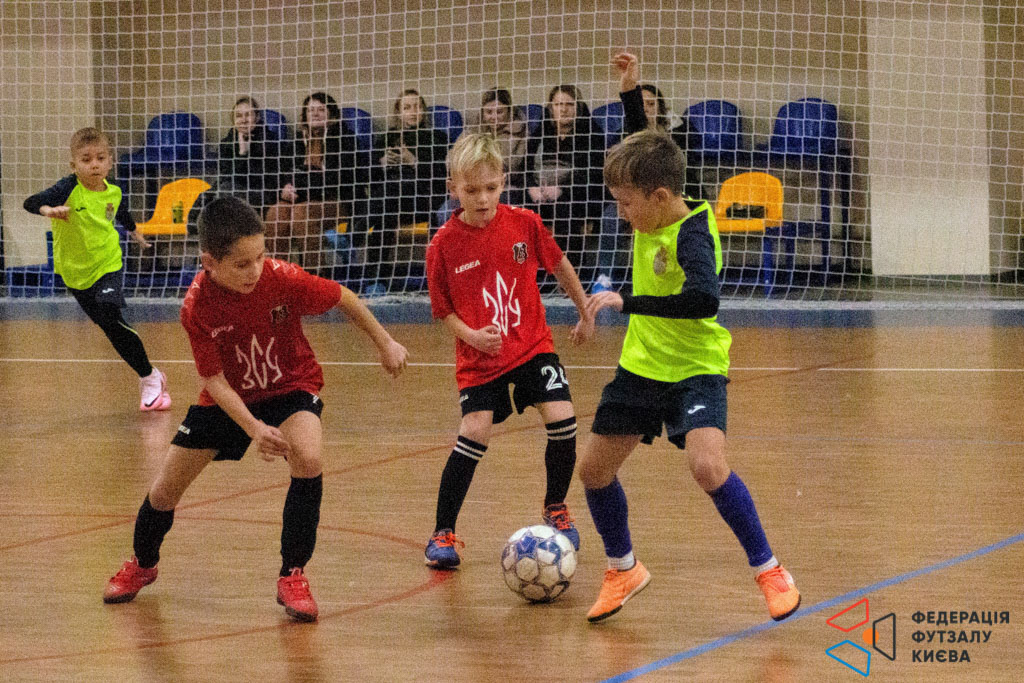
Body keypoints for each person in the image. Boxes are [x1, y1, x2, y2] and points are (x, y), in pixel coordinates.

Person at [101, 195, 408, 622]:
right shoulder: (197, 306)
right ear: (209, 262)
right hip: (228, 398)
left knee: (309, 457)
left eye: (260, 257)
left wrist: (386, 342)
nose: (255, 270)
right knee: (165, 489)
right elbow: (213, 380)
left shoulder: (282, 278)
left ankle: (293, 574)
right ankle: (142, 563)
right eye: (242, 264)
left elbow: (343, 297)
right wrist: (253, 428)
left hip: (290, 385)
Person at [578, 129, 800, 623]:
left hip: (696, 367)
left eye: (626, 203)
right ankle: (623, 569)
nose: (621, 214)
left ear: (659, 197)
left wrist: (628, 302)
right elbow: (644, 147)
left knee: (707, 466)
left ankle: (770, 571)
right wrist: (630, 96)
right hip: (642, 366)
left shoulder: (693, 235)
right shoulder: (656, 200)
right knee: (593, 471)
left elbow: (703, 301)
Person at [422, 132, 595, 568]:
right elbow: (443, 312)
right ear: (453, 188)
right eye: (471, 190)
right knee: (475, 431)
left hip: (532, 345)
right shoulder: (442, 244)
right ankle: (442, 533)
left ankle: (555, 506)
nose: (482, 198)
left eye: (490, 187)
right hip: (480, 359)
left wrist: (584, 310)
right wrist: (472, 336)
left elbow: (559, 264)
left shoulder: (525, 223)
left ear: (504, 180)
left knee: (563, 419)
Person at [23, 126, 171, 412]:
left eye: (100, 158)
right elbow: (31, 202)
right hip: (75, 272)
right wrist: (48, 210)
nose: (94, 165)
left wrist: (134, 232)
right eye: (86, 159)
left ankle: (149, 377)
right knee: (109, 326)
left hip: (108, 262)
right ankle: (153, 375)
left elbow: (120, 211)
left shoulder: (114, 189)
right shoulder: (67, 189)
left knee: (109, 313)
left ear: (110, 161)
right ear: (74, 165)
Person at [358, 88, 449, 293]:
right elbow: (367, 177)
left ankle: (353, 236)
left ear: (424, 110)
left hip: (424, 200)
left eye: (417, 107)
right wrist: (382, 164)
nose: (413, 111)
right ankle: (376, 283)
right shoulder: (387, 138)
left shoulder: (437, 138)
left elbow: (441, 177)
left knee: (392, 192)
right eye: (407, 107)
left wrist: (413, 161)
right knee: (384, 215)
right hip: (392, 203)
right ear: (399, 113)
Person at [265, 92, 363, 273]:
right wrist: (284, 189)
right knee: (275, 213)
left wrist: (302, 183)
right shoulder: (297, 141)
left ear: (331, 114)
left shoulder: (346, 139)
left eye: (321, 110)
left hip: (336, 202)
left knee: (302, 213)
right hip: (299, 200)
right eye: (311, 110)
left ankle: (314, 276)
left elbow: (338, 179)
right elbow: (281, 174)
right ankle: (279, 276)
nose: (315, 114)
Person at [523, 84, 607, 288]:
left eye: (569, 104)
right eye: (558, 104)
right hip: (541, 193)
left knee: (565, 206)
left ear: (578, 107)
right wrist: (531, 187)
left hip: (579, 195)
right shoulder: (541, 133)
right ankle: (526, 274)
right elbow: (524, 167)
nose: (563, 109)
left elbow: (595, 174)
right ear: (551, 108)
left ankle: (568, 278)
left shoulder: (592, 133)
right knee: (515, 204)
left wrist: (563, 189)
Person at [433, 88, 531, 229]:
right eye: (489, 112)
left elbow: (514, 166)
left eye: (499, 112)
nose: (494, 117)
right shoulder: (471, 131)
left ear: (509, 111)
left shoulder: (520, 133)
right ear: (482, 113)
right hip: (470, 188)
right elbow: (451, 159)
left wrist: (476, 166)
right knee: (445, 212)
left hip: (505, 189)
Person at [217, 96, 286, 214]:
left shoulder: (271, 140)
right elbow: (227, 178)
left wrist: (247, 154)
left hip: (263, 193)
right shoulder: (226, 144)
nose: (244, 120)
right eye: (239, 116)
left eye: (248, 115)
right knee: (214, 193)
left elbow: (265, 180)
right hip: (232, 191)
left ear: (257, 117)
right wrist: (242, 152)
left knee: (225, 192)